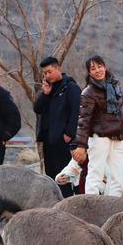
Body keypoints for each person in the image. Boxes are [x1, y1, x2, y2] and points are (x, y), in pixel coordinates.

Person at [72, 55, 123, 196]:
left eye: (100, 66)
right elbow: (83, 120)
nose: (98, 70)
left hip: (118, 137)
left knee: (120, 177)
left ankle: (113, 207)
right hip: (99, 139)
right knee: (95, 176)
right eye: (93, 68)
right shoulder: (88, 92)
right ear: (89, 72)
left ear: (105, 67)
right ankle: (91, 209)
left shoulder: (115, 85)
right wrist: (81, 145)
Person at [33, 56, 81, 198]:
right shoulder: (49, 89)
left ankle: (67, 205)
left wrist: (69, 133)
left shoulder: (71, 87)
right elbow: (37, 109)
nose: (47, 75)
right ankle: (56, 204)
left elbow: (76, 112)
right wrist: (45, 94)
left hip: (63, 141)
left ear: (58, 68)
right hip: (49, 140)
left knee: (64, 177)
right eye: (45, 73)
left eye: (49, 72)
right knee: (51, 176)